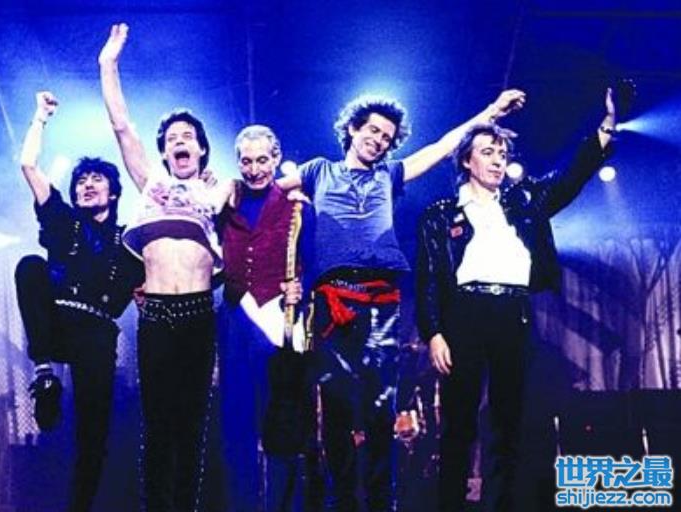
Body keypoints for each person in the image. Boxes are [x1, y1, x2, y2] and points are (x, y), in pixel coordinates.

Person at [277, 90, 525, 512]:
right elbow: (265, 190)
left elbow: (441, 147)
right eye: (373, 131)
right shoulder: (318, 170)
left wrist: (491, 112)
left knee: (380, 411)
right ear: (352, 129)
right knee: (335, 409)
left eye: (387, 137)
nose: (379, 140)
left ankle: (382, 504)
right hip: (332, 301)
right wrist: (234, 189)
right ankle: (340, 503)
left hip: (381, 303)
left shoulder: (388, 175)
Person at [415, 89, 617, 511]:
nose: (497, 160)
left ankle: (501, 504)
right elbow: (429, 279)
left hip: (514, 312)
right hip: (465, 314)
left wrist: (606, 127)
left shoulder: (524, 201)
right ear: (466, 160)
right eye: (487, 152)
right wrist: (433, 332)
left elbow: (570, 179)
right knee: (458, 423)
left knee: (509, 422)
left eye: (502, 154)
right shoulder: (440, 214)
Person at [98, 23, 233, 512]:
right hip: (155, 312)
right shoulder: (150, 184)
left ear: (201, 149)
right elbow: (122, 126)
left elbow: (264, 198)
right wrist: (108, 64)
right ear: (164, 152)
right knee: (157, 425)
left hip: (198, 312)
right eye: (172, 138)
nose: (180, 141)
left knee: (192, 425)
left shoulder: (220, 188)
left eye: (188, 137)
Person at [14, 91, 144, 512]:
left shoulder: (130, 239)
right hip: (56, 324)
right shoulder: (63, 220)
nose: (87, 184)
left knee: (93, 433)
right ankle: (44, 375)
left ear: (114, 192)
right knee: (30, 266)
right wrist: (40, 118)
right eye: (81, 180)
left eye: (96, 179)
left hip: (97, 335)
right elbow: (28, 165)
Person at [218, 124, 310, 512]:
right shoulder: (226, 201)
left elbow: (315, 256)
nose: (254, 169)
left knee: (283, 422)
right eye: (246, 161)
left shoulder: (296, 204)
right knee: (238, 419)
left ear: (276, 158)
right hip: (236, 318)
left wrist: (301, 285)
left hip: (281, 318)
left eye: (261, 160)